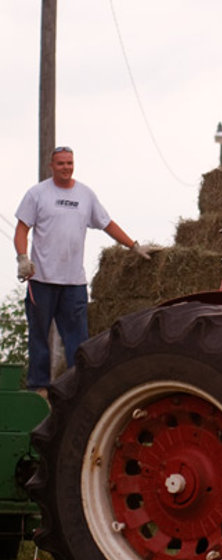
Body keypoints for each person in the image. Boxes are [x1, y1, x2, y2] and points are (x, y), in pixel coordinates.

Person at [14, 146, 152, 393]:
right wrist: (23, 258)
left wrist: (134, 246)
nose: (66, 167)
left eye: (69, 163)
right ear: (51, 166)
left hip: (73, 283)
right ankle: (39, 388)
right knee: (38, 336)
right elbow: (22, 229)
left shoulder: (85, 195)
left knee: (77, 340)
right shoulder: (37, 194)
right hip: (41, 279)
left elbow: (107, 223)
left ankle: (77, 387)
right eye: (60, 164)